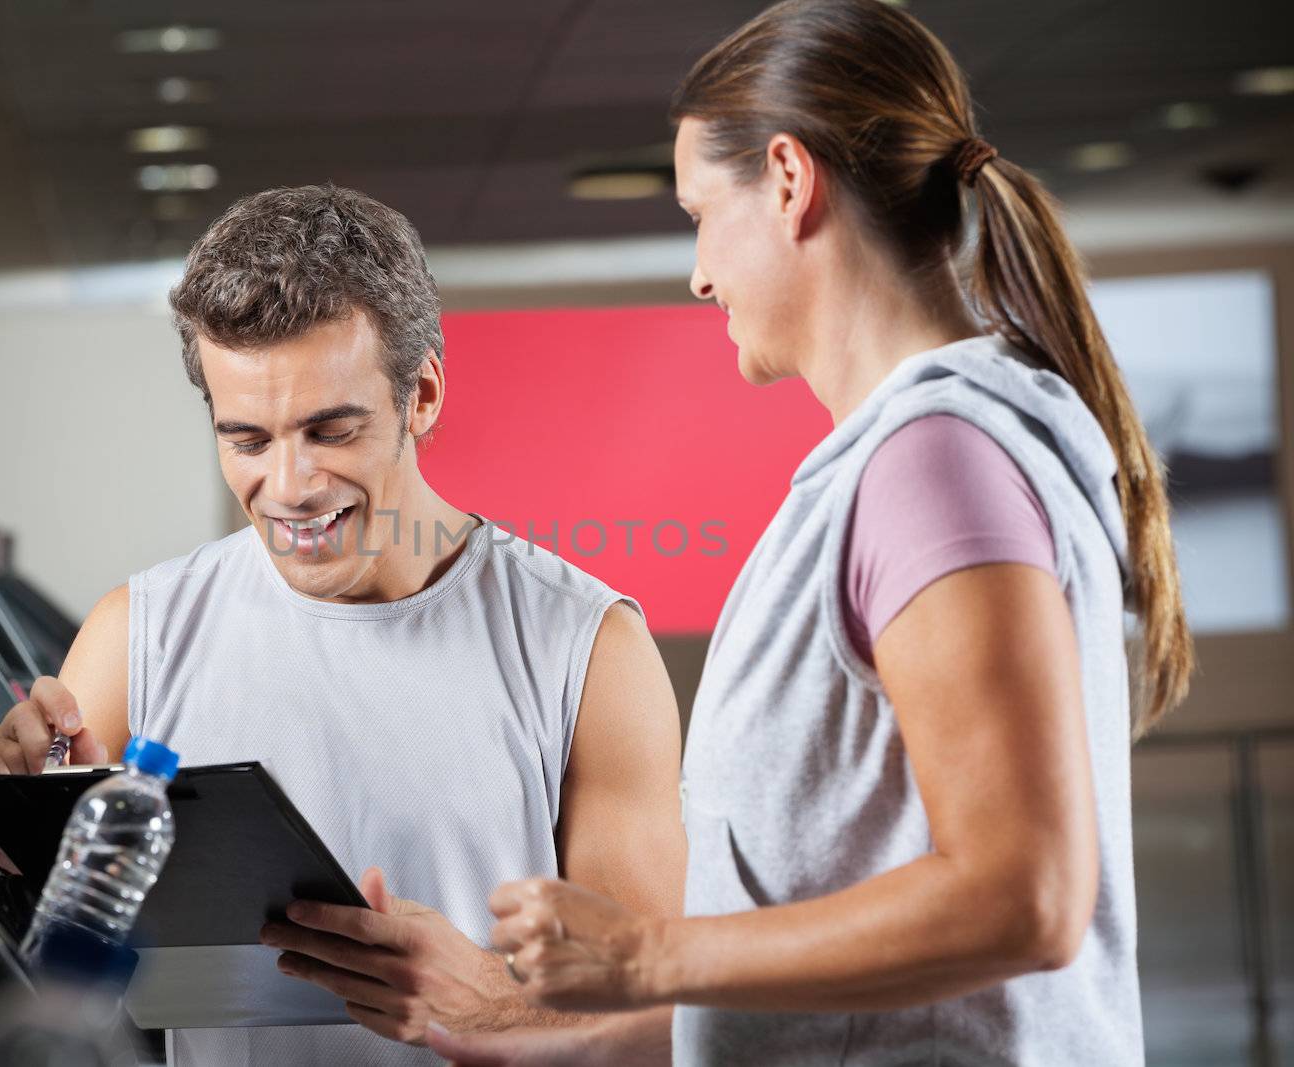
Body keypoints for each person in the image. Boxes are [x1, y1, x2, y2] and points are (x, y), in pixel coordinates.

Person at [429, 1, 1193, 1064]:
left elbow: (1024, 896)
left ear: (788, 180)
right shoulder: (908, 457)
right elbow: (826, 974)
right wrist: (531, 1042)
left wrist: (649, 951)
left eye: (700, 211)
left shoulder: (935, 461)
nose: (698, 271)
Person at [0, 185, 687, 1065]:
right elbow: (46, 971)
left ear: (421, 395)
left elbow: (672, 1024)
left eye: (330, 430)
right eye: (248, 440)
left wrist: (497, 1008)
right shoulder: (136, 635)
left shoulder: (584, 647)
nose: (291, 485)